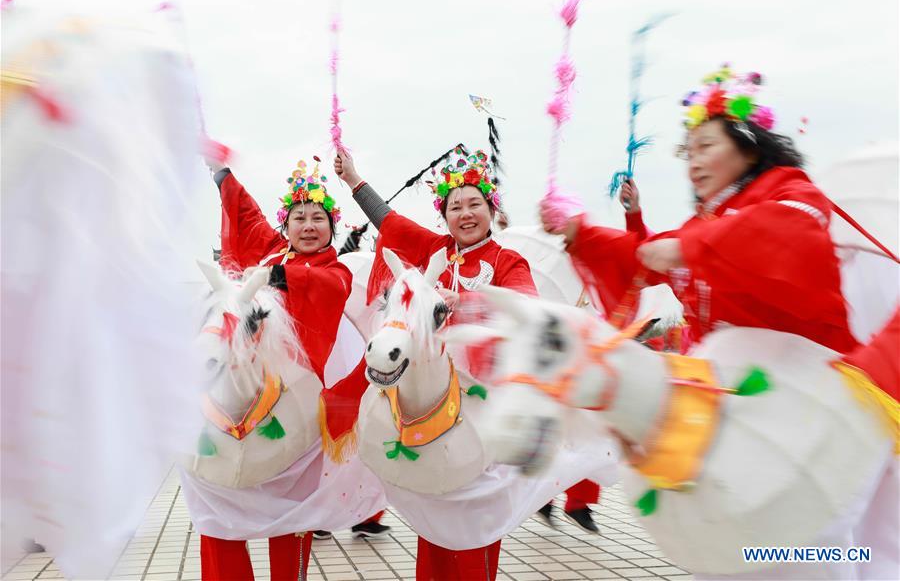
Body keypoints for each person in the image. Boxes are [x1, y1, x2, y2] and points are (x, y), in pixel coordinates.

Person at [541, 64, 858, 354]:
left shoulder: (791, 190)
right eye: (688, 153)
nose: (695, 163)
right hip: (728, 382)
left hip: (809, 380)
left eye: (706, 147)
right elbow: (642, 255)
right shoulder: (704, 223)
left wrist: (688, 247)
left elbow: (790, 227)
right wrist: (580, 231)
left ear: (748, 150)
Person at [334, 147, 538, 580]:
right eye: (455, 207)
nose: (465, 215)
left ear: (490, 208)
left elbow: (526, 306)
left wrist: (462, 303)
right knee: (434, 514)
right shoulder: (435, 251)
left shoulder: (507, 260)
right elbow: (388, 222)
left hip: (483, 408)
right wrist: (353, 179)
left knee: (474, 527)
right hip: (432, 406)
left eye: (474, 205)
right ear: (443, 215)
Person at [190, 155, 388, 580]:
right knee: (217, 497)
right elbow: (247, 215)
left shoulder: (333, 270)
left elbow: (325, 287)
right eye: (299, 217)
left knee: (292, 505)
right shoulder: (271, 252)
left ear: (332, 228)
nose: (309, 225)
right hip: (249, 387)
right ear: (287, 226)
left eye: (319, 218)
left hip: (300, 403)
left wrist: (280, 278)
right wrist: (222, 174)